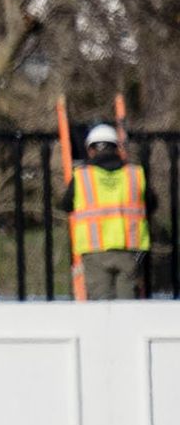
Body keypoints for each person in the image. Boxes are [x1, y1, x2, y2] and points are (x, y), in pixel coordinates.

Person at [70, 118, 152, 302]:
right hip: (129, 248)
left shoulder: (82, 177)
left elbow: (66, 204)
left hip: (94, 250)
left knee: (101, 305)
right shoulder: (135, 174)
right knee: (127, 303)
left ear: (90, 149)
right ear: (116, 148)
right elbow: (151, 203)